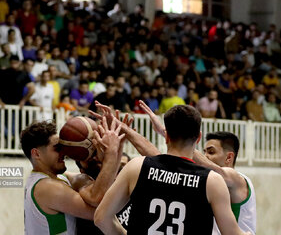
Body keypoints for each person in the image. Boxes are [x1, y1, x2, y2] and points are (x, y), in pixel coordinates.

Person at [94, 105, 250, 235]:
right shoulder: (212, 181)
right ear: (198, 138)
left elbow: (101, 218)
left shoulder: (136, 166)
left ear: (167, 136)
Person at [137, 100, 256, 235]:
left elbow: (186, 152)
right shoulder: (207, 180)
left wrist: (169, 133)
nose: (205, 156)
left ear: (229, 158)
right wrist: (127, 131)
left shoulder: (236, 179)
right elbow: (164, 160)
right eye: (204, 152)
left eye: (211, 152)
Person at [21, 119, 124, 234]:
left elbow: (95, 189)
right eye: (57, 148)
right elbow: (101, 212)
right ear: (36, 154)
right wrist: (112, 153)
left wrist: (111, 149)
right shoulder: (46, 187)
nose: (64, 152)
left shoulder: (57, 179)